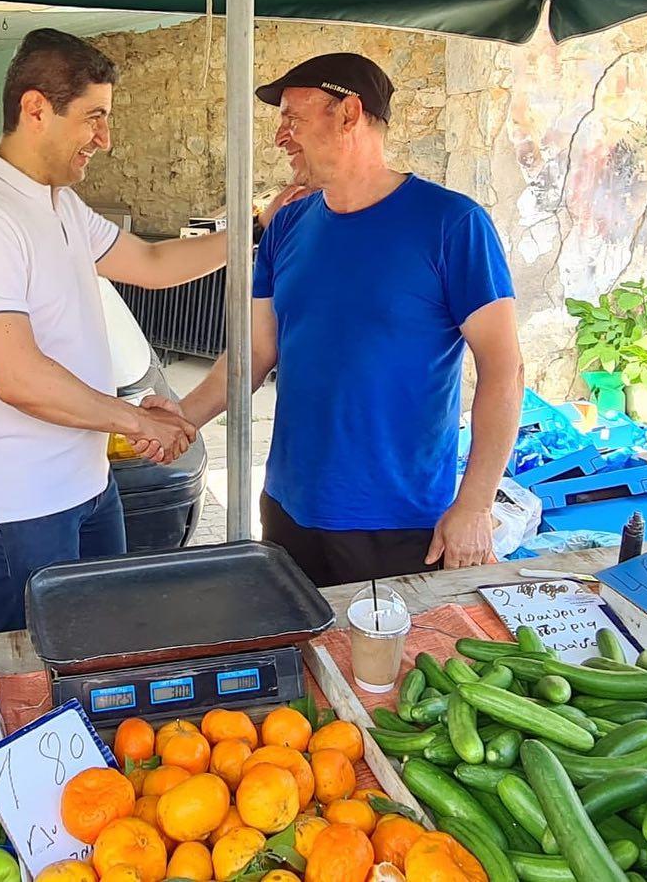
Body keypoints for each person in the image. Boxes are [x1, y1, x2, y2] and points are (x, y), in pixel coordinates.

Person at [170, 53, 524, 585]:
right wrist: (180, 418)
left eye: (293, 117)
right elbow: (254, 354)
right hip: (290, 507)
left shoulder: (452, 224)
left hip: (398, 521)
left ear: (349, 112)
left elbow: (504, 370)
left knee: (387, 667)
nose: (280, 137)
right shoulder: (286, 225)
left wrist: (473, 505)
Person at [0, 28, 228, 632]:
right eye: (94, 118)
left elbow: (150, 265)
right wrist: (139, 422)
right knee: (40, 671)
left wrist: (254, 235)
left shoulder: (56, 201)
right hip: (23, 502)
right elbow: (18, 378)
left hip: (86, 483)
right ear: (36, 108)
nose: (105, 139)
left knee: (105, 641)